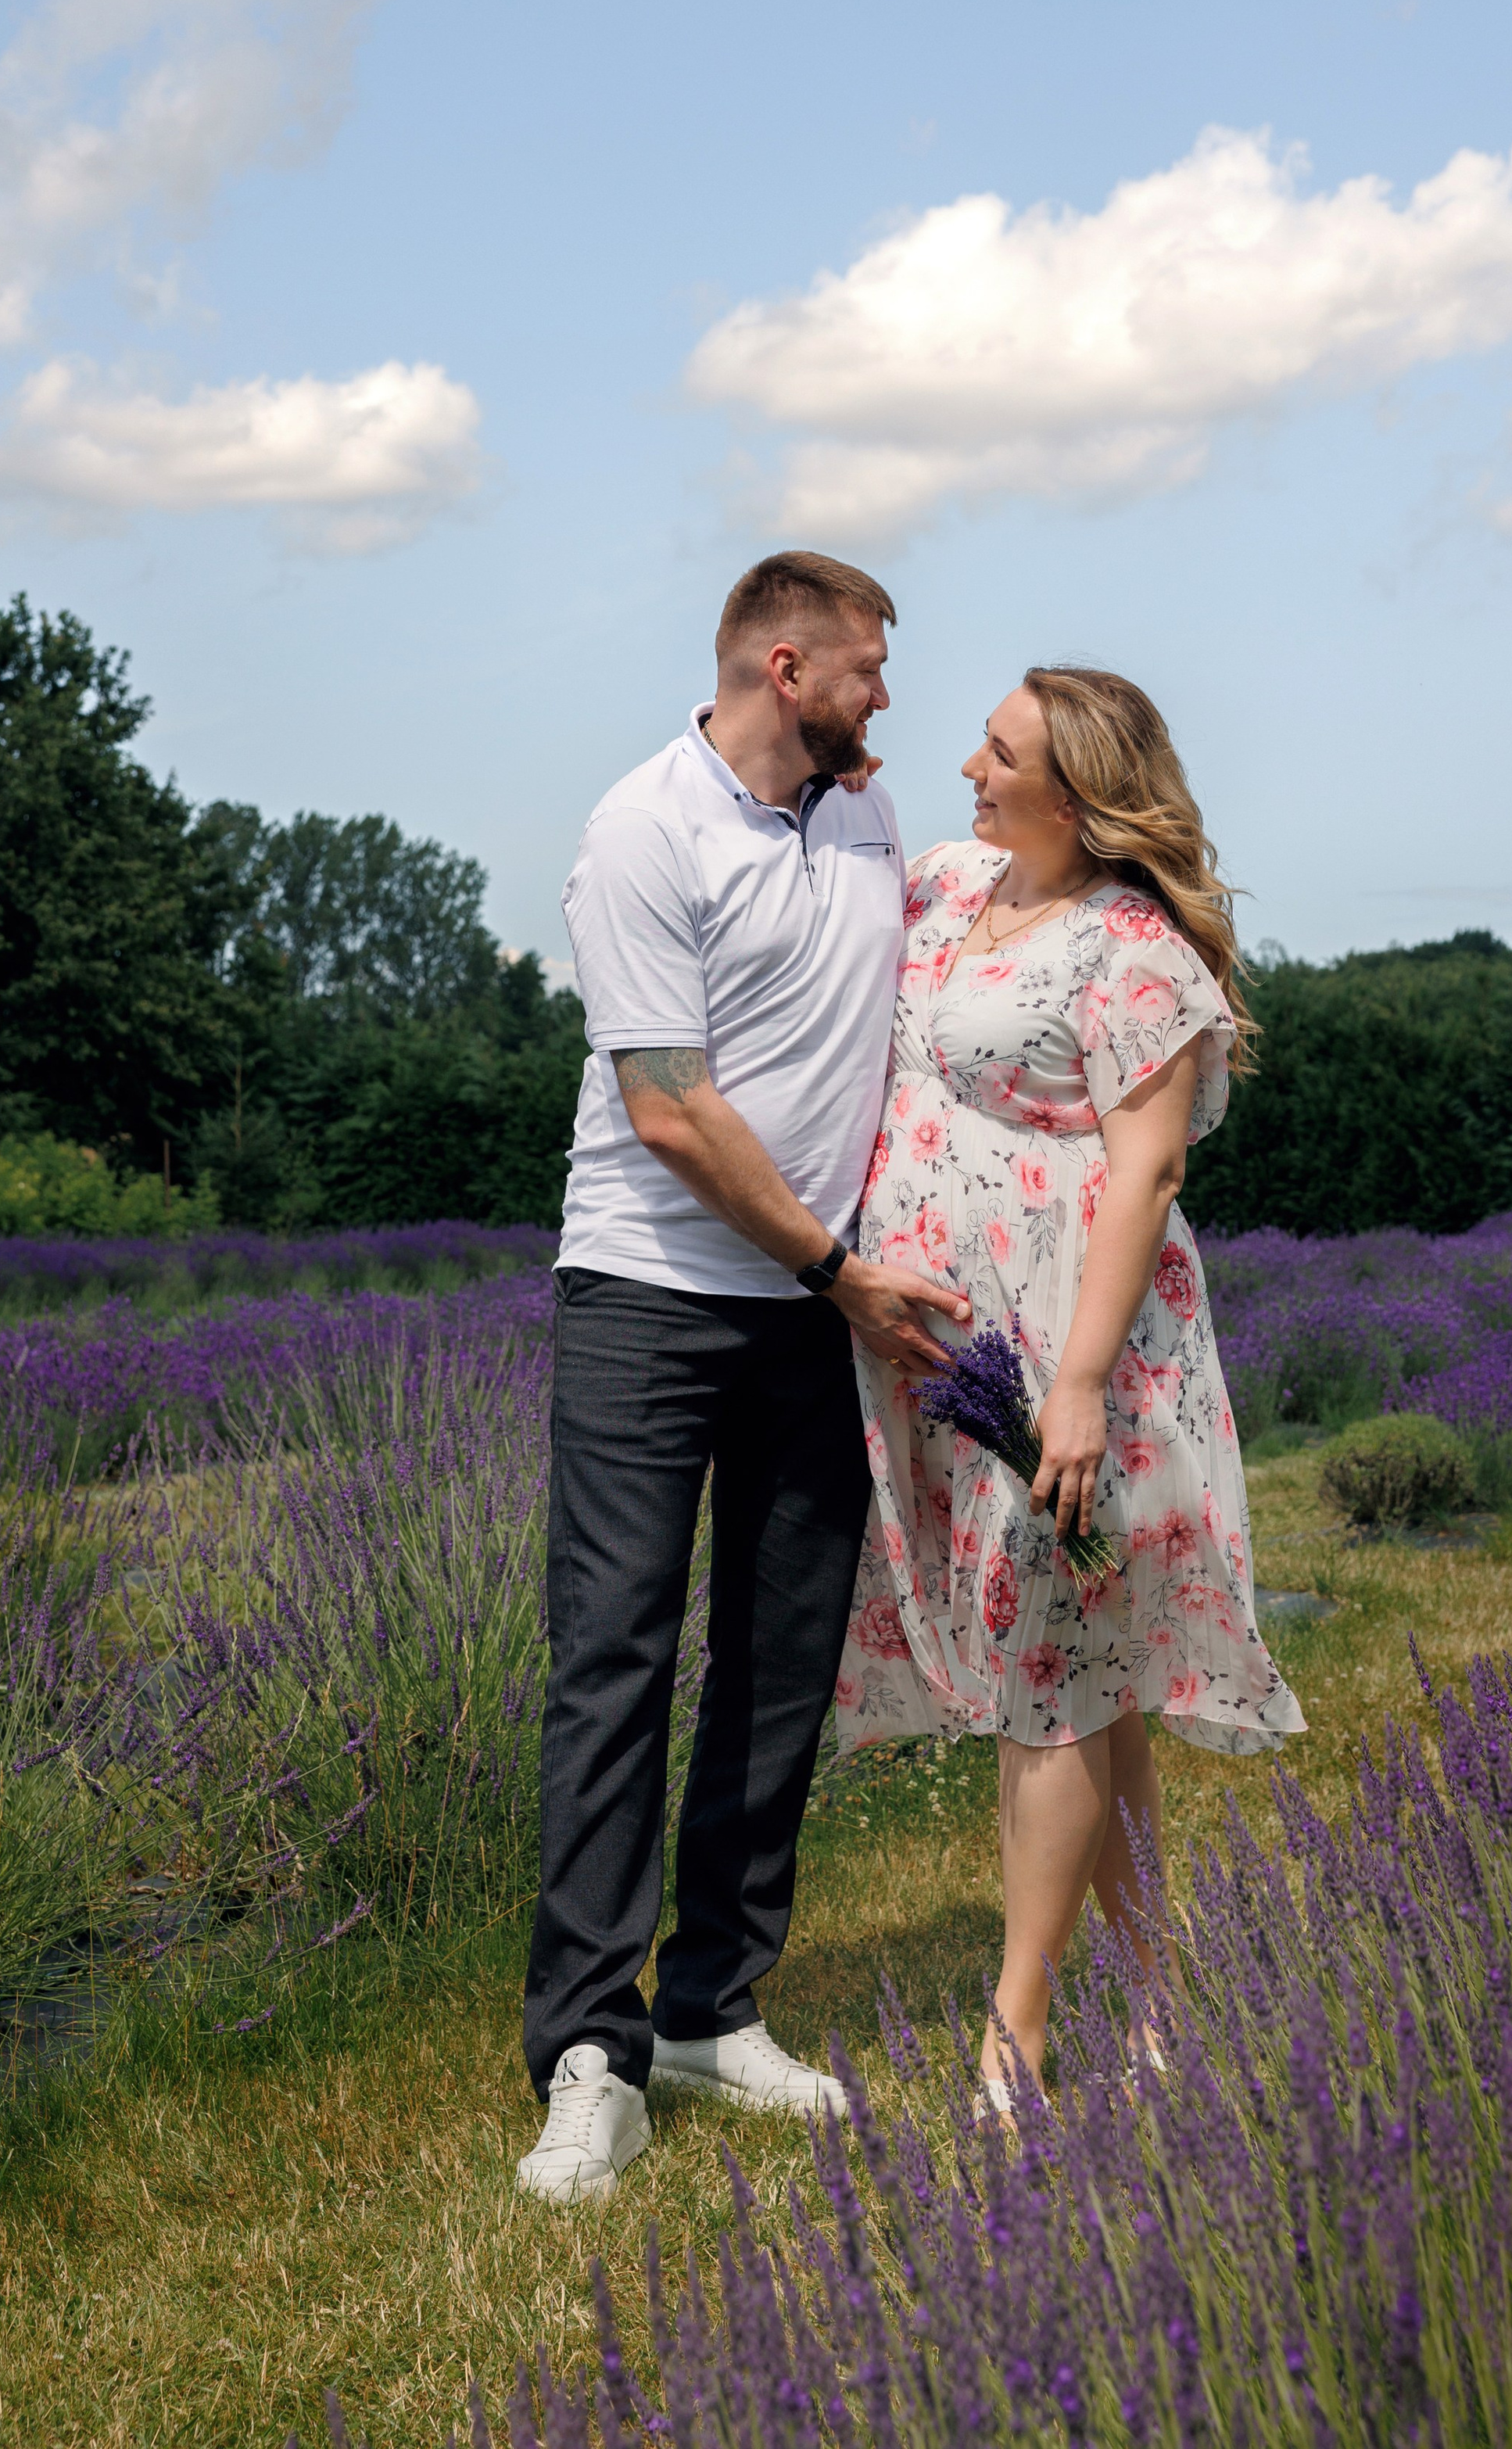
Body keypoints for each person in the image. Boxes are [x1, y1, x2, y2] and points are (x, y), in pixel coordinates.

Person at [518, 553, 969, 2207]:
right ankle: (587, 2049)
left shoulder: (861, 811)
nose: (883, 695)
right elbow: (667, 1106)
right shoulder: (643, 829)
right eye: (863, 667)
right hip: (651, 1293)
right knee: (616, 1658)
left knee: (780, 1665)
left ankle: (712, 2006)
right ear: (783, 665)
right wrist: (837, 1270)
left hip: (812, 1305)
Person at [833, 665, 1304, 2110]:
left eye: (1000, 749)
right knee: (1088, 1681)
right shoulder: (957, 882)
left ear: (1080, 792)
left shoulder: (1135, 952)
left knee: (1051, 1674)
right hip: (954, 1352)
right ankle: (1156, 2002)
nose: (966, 764)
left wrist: (1081, 1387)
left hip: (1068, 1358)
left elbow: (1147, 1169)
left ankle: (1017, 2034)